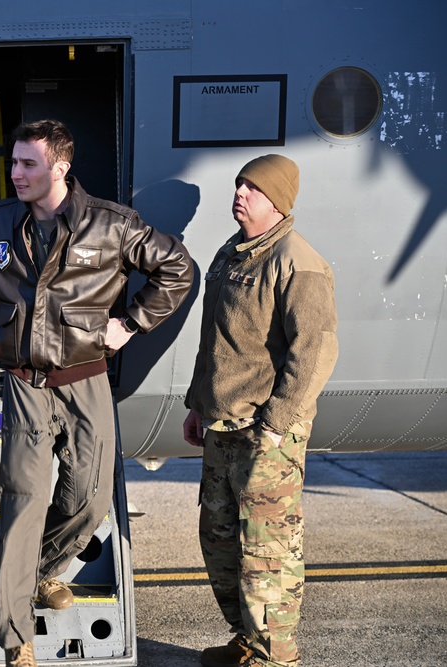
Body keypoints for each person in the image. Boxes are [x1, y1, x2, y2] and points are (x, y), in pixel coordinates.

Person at [0, 119, 194, 667]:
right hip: (25, 384)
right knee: (23, 501)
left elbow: (178, 269)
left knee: (88, 499)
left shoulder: (111, 225)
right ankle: (16, 638)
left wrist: (129, 324)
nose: (16, 173)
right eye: (13, 162)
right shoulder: (1, 224)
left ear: (60, 167)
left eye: (28, 163)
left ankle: (37, 573)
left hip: (85, 380)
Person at [183, 155, 339, 667]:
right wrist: (196, 404)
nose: (240, 193)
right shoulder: (233, 254)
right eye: (239, 184)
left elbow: (315, 350)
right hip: (221, 423)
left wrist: (276, 423)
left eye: (252, 187)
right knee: (222, 540)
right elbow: (217, 340)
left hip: (264, 432)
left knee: (267, 554)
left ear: (277, 201)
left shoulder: (298, 260)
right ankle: (247, 640)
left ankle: (276, 657)